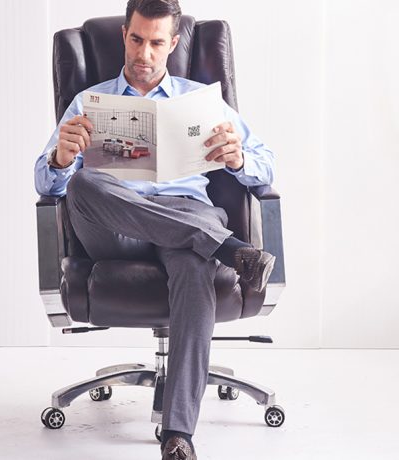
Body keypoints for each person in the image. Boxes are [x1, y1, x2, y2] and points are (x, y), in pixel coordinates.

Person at [34, 1, 276, 458]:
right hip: (114, 226)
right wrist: (61, 160)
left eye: (157, 42)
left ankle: (178, 435)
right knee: (84, 183)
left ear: (174, 43)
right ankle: (230, 249)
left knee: (193, 262)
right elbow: (45, 182)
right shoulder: (89, 101)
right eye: (136, 39)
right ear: (125, 34)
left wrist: (240, 158)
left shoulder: (200, 100)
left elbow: (267, 167)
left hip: (187, 216)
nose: (144, 53)